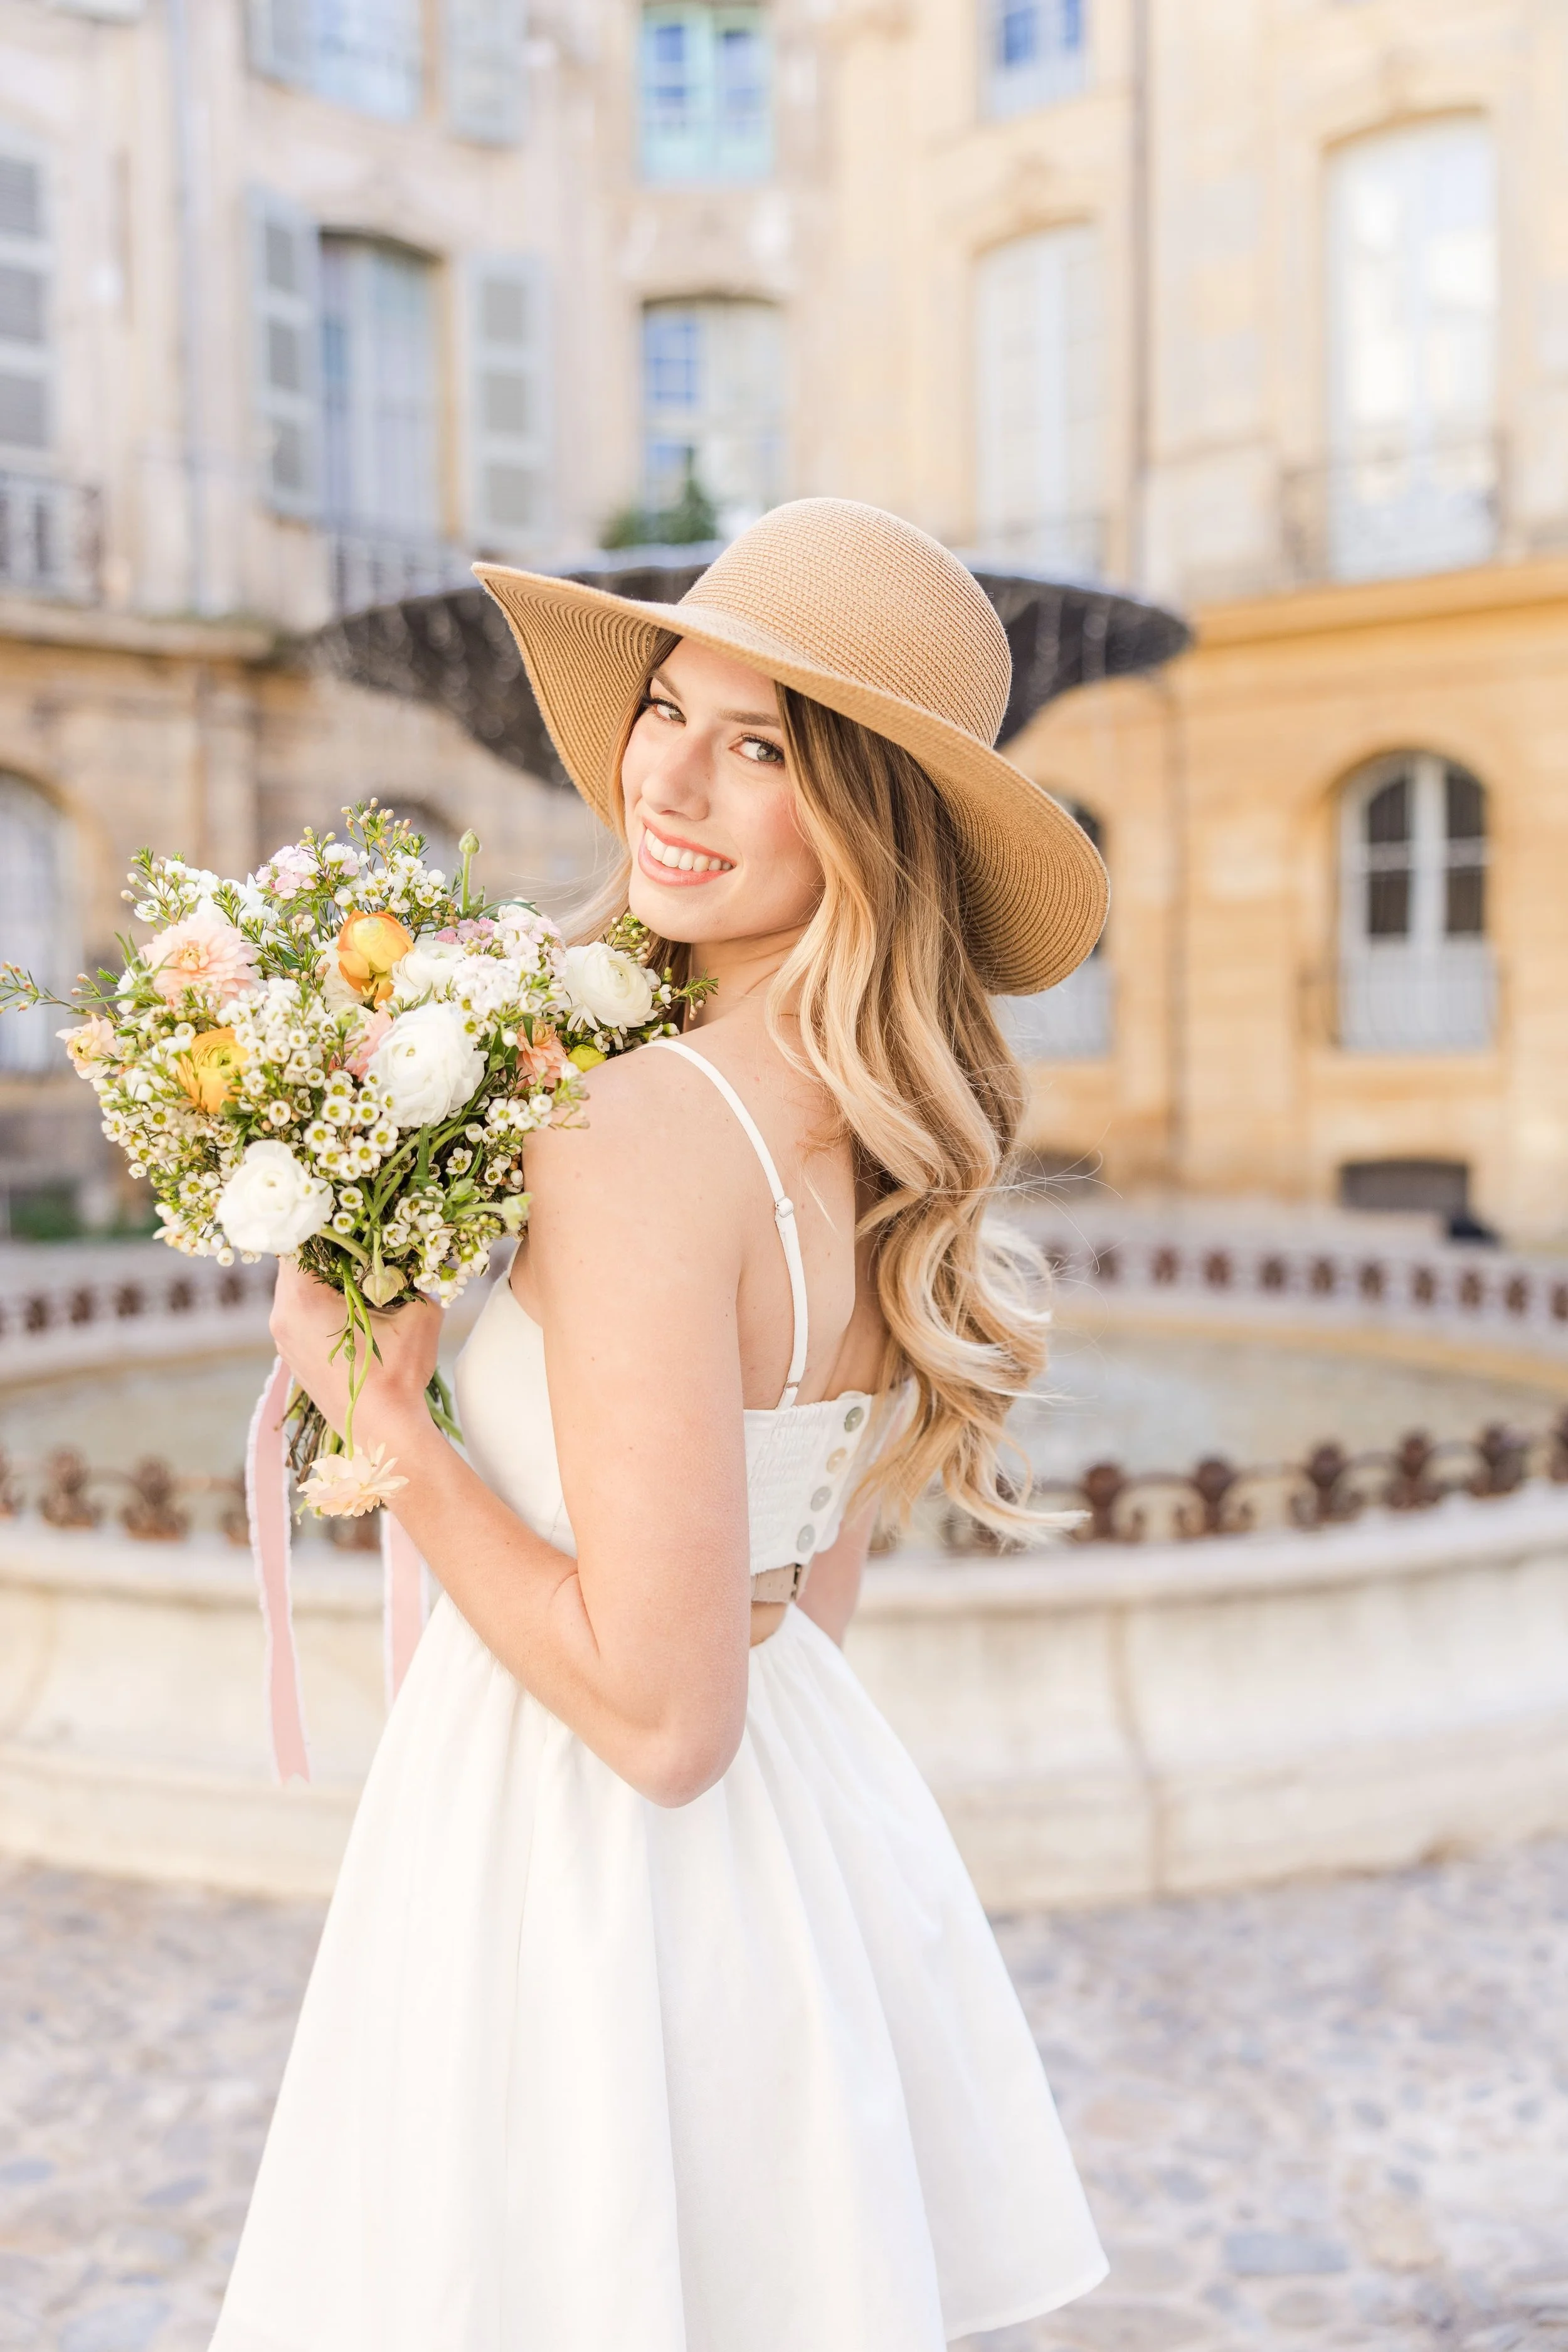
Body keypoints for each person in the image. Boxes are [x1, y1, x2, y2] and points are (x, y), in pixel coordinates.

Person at [211, 499, 1110, 2352]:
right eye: (668, 709)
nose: (671, 778)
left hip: (573, 1851)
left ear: (862, 815)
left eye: (761, 745)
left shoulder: (628, 1133)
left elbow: (661, 1719)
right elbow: (804, 1593)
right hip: (796, 1840)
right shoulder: (850, 1130)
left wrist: (389, 1414)